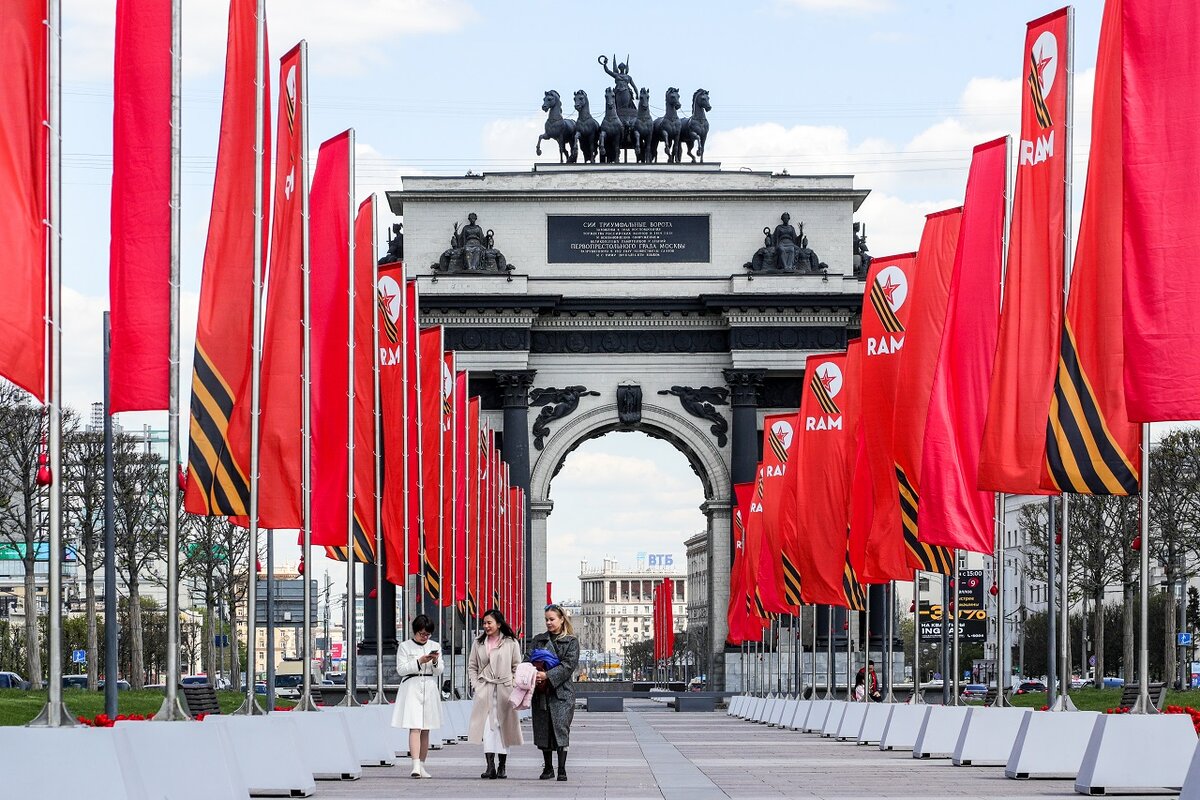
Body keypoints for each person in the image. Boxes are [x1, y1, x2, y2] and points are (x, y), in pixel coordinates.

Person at [467, 609, 523, 780]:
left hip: (504, 690)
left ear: (498, 624)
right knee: (487, 727)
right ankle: (490, 765)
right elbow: (472, 666)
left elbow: (517, 666)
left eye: (489, 622)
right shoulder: (478, 642)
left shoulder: (511, 642)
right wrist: (476, 685)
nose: (486, 626)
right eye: (484, 623)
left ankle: (502, 766)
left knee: (503, 727)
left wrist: (512, 683)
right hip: (485, 689)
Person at [526, 603, 580, 781]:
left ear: (561, 619)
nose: (549, 623)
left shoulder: (571, 641)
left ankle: (562, 769)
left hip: (562, 693)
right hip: (541, 692)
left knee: (561, 729)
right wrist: (534, 674)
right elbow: (527, 660)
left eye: (552, 619)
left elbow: (568, 666)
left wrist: (548, 675)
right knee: (544, 730)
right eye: (546, 620)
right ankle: (548, 767)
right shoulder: (538, 640)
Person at [392, 615, 443, 778]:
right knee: (414, 726)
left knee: (426, 727)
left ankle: (422, 765)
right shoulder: (405, 647)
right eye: (422, 634)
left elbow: (439, 670)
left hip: (429, 686)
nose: (425, 637)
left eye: (427, 634)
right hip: (412, 686)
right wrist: (419, 661)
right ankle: (414, 765)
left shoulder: (435, 646)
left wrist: (434, 661)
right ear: (415, 631)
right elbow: (401, 669)